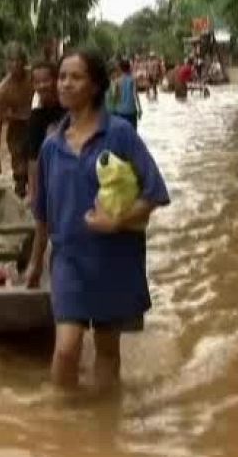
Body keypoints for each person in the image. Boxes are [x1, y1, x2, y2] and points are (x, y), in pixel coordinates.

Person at [26, 48, 171, 391]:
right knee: (66, 349)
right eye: (62, 77)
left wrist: (117, 222)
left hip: (113, 258)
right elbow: (43, 215)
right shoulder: (51, 145)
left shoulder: (119, 134)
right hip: (69, 259)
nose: (64, 84)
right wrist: (35, 263)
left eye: (75, 77)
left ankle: (105, 425)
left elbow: (155, 193)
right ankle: (62, 426)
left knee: (106, 350)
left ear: (94, 86)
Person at [0, 42, 35, 197]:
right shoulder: (2, 91)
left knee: (42, 170)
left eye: (17, 60)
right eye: (10, 61)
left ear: (24, 61)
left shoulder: (34, 77)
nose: (14, 64)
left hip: (38, 125)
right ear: (6, 64)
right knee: (21, 173)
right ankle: (21, 193)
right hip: (17, 131)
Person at [26, 59, 66, 204]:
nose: (41, 86)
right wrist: (32, 192)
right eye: (37, 82)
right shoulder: (36, 117)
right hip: (51, 176)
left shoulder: (70, 109)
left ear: (56, 80)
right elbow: (33, 157)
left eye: (46, 81)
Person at [114, 59, 142, 130]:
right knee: (133, 132)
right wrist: (139, 108)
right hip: (131, 110)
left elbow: (116, 97)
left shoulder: (117, 81)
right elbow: (135, 95)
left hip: (120, 111)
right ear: (129, 67)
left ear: (120, 69)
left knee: (122, 133)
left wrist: (114, 111)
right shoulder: (133, 80)